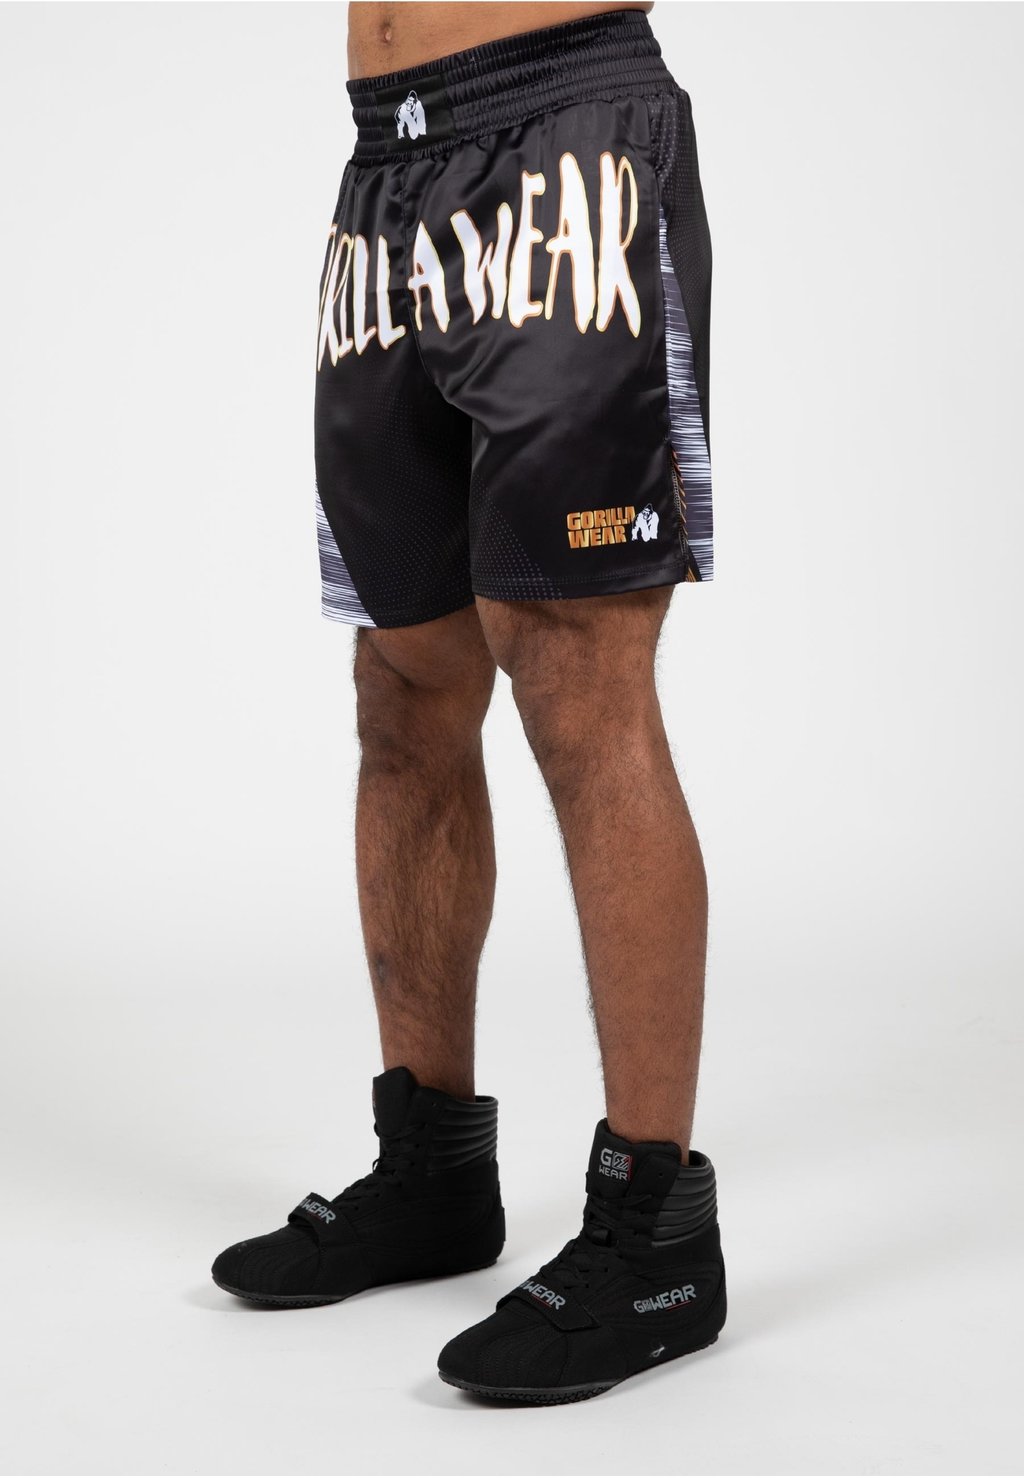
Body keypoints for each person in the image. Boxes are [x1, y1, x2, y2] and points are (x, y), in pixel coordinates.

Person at [212, 0, 724, 1403]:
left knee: (576, 671)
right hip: (385, 169)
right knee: (402, 676)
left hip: (568, 133)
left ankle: (658, 1234)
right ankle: (431, 1168)